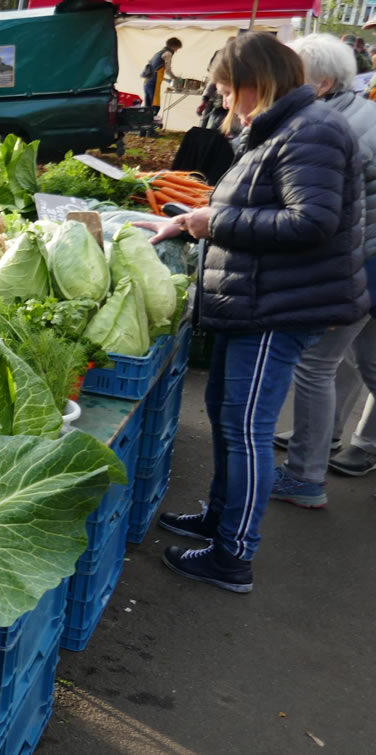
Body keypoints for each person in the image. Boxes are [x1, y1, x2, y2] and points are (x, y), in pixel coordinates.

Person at [135, 33, 368, 593]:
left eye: (225, 87)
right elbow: (261, 203)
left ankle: (233, 556)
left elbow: (309, 222)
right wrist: (191, 217)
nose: (222, 99)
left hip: (277, 305)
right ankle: (220, 520)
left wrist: (210, 223)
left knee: (246, 428)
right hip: (260, 297)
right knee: (225, 412)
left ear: (256, 82)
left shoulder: (311, 130)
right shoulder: (287, 127)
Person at [267, 34, 376, 508]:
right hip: (367, 261)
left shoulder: (334, 126)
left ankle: (305, 475)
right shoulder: (361, 115)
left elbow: (315, 214)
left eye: (295, 76)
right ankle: (328, 441)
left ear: (325, 82)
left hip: (359, 264)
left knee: (317, 365)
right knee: (366, 361)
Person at [141, 37, 182, 116]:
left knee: (148, 107)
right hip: (153, 82)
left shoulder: (159, 53)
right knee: (155, 107)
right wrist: (175, 78)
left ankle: (145, 126)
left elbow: (155, 70)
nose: (176, 51)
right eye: (176, 48)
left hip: (147, 82)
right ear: (173, 46)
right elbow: (168, 70)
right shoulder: (168, 53)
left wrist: (167, 80)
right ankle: (151, 126)